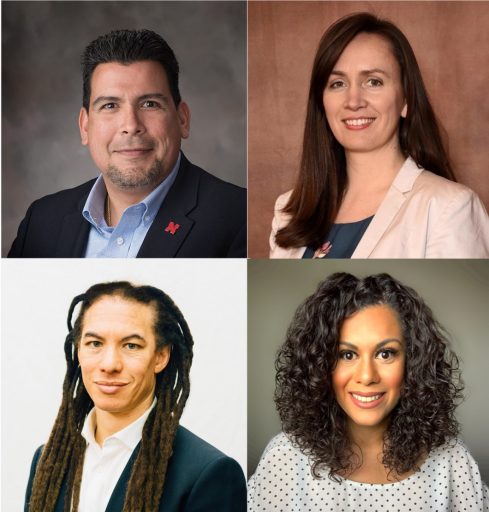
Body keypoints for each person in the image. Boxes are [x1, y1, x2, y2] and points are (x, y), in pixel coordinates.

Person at [248, 273, 489, 510]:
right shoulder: (284, 459)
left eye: (385, 354)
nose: (366, 376)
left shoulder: (452, 461)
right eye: (347, 355)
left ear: (413, 362)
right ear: (321, 365)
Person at [8, 29, 246, 258]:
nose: (131, 125)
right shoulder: (41, 221)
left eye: (150, 104)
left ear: (182, 119)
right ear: (84, 126)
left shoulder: (241, 217)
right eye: (110, 105)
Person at [269, 13, 489, 258]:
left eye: (373, 82)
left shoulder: (449, 208)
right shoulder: (287, 211)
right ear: (322, 102)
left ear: (405, 99)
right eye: (337, 84)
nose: (353, 101)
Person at [24, 281, 246, 512]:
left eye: (131, 346)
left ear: (160, 356)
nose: (109, 364)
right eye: (95, 343)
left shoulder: (208, 473)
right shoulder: (48, 462)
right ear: (78, 350)